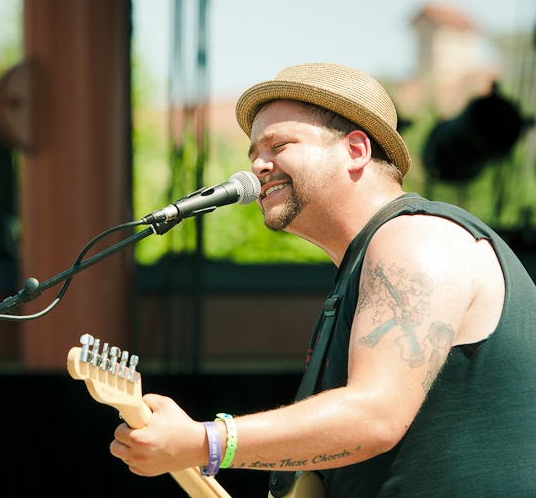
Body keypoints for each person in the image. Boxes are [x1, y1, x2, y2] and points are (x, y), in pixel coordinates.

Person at [109, 62, 536, 496]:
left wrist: (207, 442)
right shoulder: (361, 267)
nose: (257, 165)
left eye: (279, 144)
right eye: (253, 152)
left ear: (356, 150)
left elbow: (374, 416)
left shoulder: (416, 236)